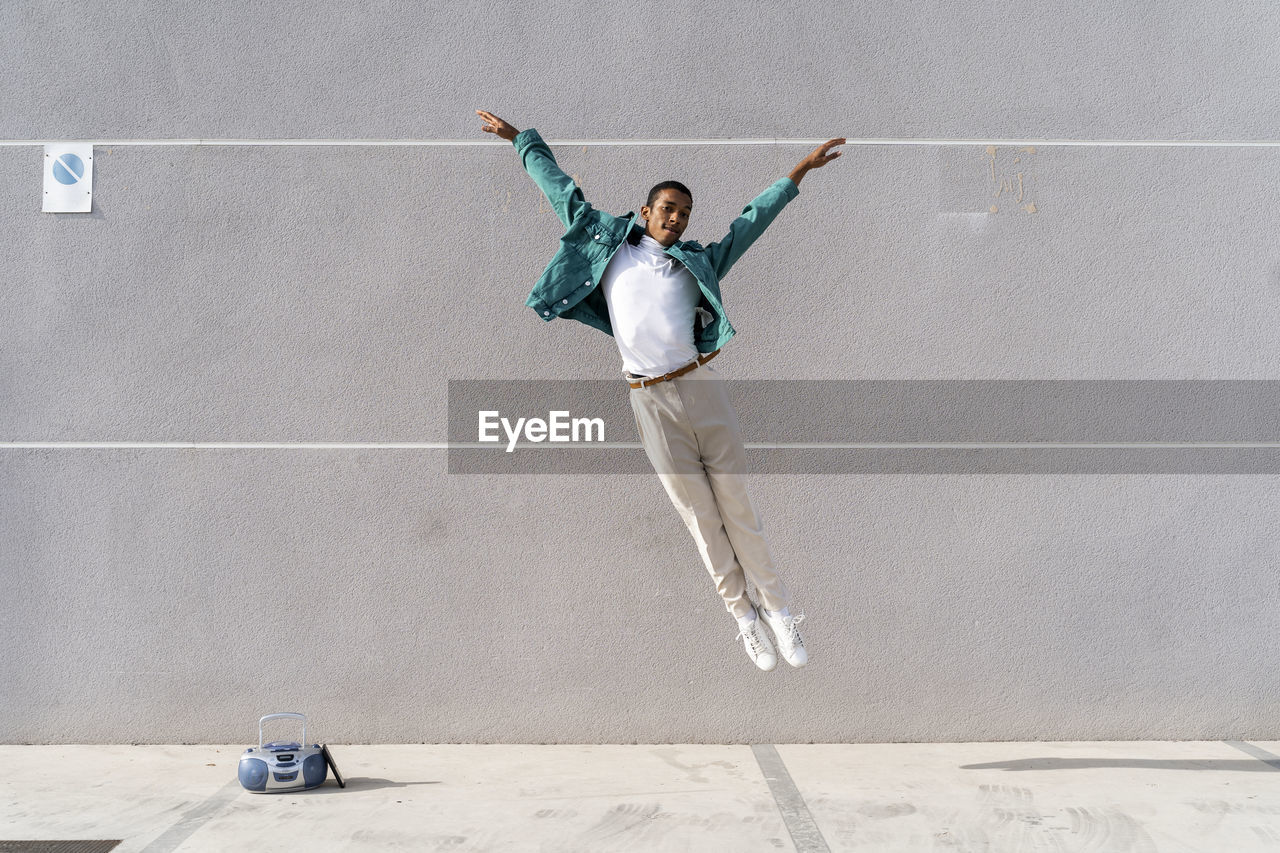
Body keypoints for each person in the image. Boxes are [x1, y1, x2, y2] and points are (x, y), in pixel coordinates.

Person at [477, 109, 844, 671]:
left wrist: (797, 174)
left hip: (700, 390)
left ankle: (781, 614)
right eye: (668, 209)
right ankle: (744, 619)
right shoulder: (607, 245)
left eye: (685, 213)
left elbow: (749, 224)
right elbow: (560, 189)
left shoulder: (695, 261)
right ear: (646, 211)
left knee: (738, 508)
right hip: (648, 400)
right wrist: (520, 139)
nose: (676, 219)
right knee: (699, 517)